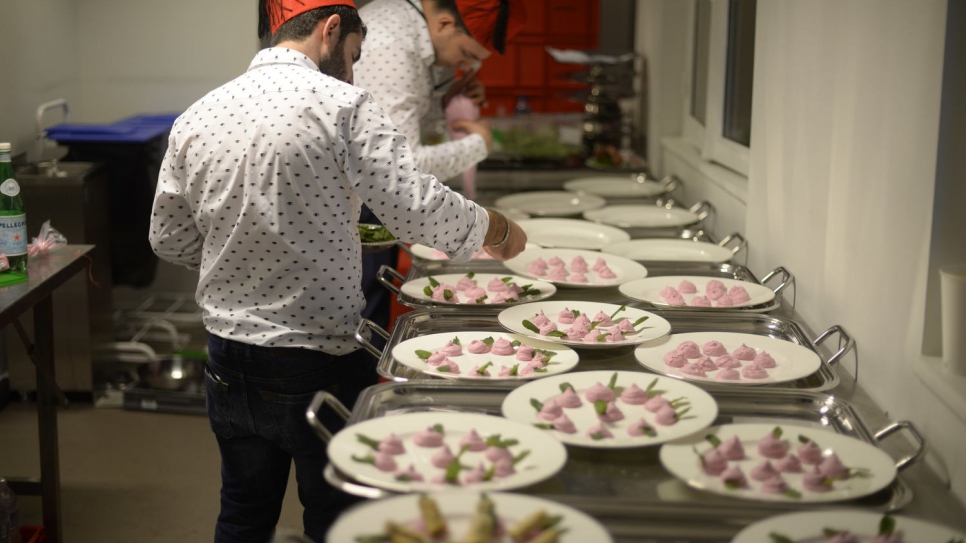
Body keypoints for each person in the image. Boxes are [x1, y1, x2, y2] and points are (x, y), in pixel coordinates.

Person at [148, 0, 527, 541]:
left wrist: (237, 252)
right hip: (314, 358)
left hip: (227, 357)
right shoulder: (343, 103)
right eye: (352, 56)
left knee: (242, 511)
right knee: (335, 516)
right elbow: (410, 205)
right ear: (330, 32)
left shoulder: (199, 113)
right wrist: (493, 228)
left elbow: (168, 237)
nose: (353, 70)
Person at [352, 0, 527, 332]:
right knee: (361, 318)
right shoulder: (393, 47)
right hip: (359, 203)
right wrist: (479, 145)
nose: (470, 66)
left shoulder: (418, 34)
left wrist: (446, 100)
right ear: (446, 24)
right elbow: (404, 169)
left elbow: (405, 128)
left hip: (374, 197)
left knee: (371, 310)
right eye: (469, 54)